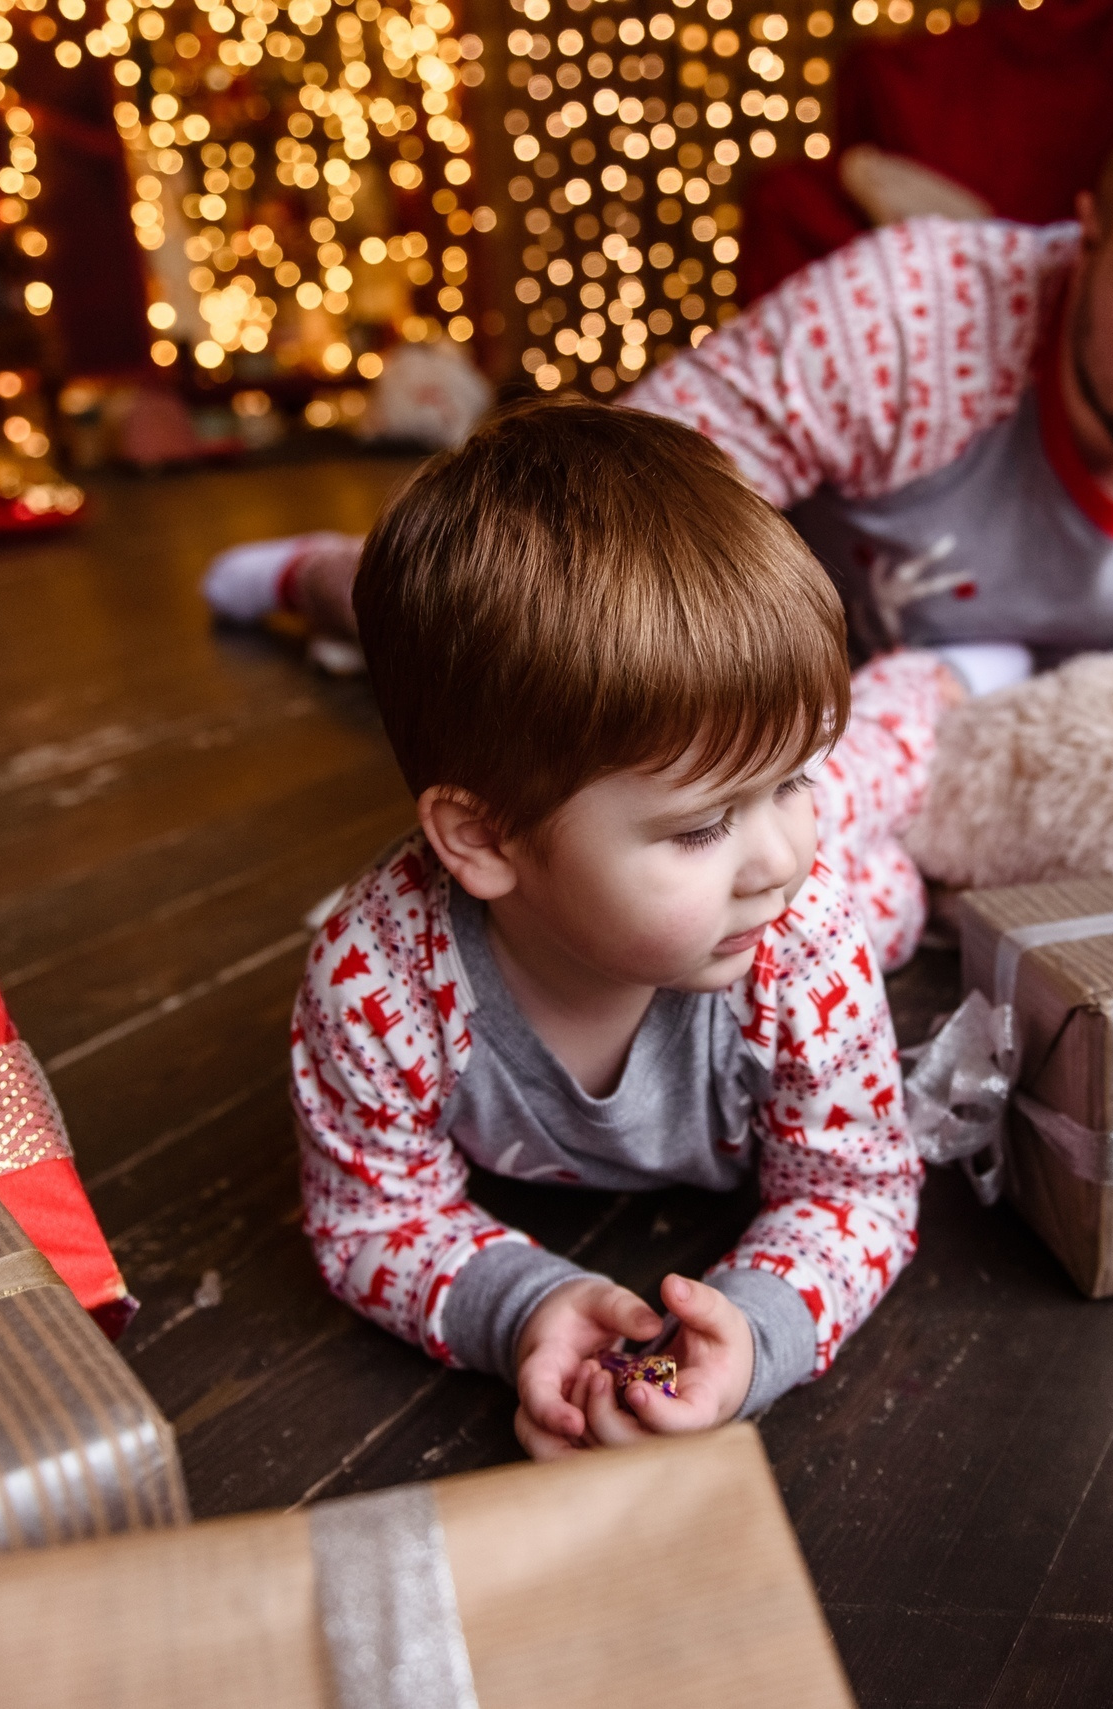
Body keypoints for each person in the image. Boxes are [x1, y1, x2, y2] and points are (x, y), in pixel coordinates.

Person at [204, 46, 1113, 691]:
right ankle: (324, 578)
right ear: (1088, 235)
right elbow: (610, 516)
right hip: (753, 652)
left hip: (956, 700)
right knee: (480, 598)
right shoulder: (907, 315)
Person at [293, 399, 946, 1458]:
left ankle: (931, 683)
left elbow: (854, 1183)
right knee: (833, 848)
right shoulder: (377, 984)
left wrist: (760, 1322)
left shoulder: (802, 923)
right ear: (483, 837)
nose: (777, 854)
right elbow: (370, 1216)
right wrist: (524, 1306)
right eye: (697, 828)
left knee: (868, 831)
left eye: (788, 782)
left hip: (832, 906)